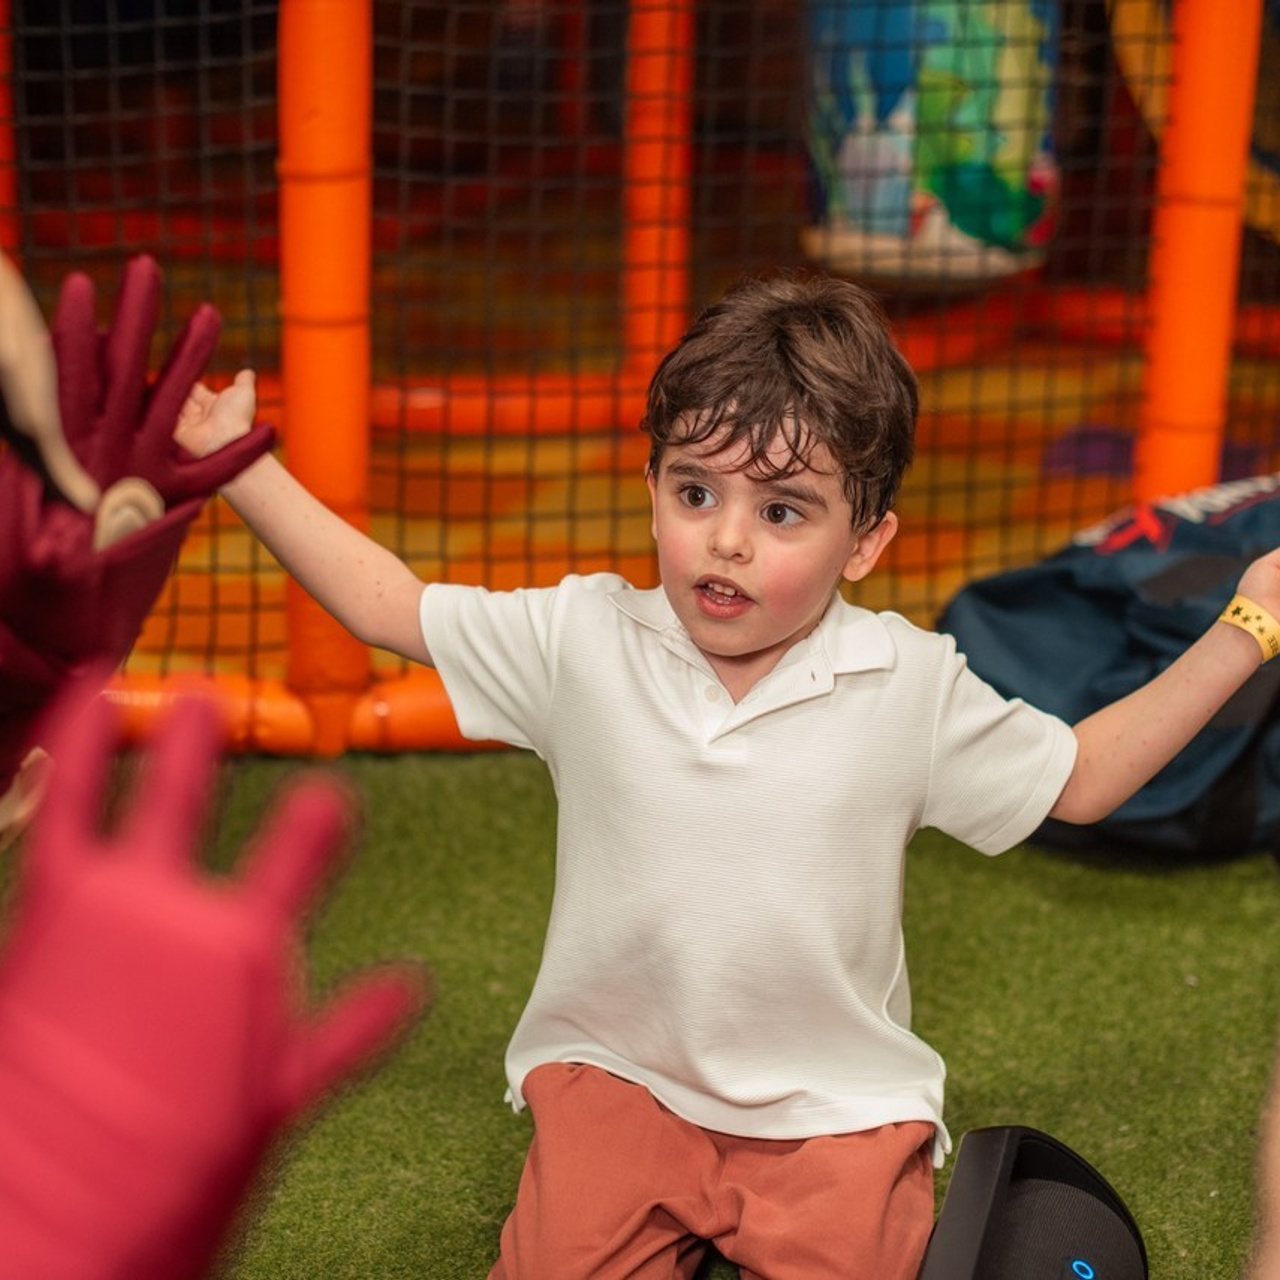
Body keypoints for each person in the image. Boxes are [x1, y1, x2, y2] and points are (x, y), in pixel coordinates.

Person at [176, 270, 1280, 1279]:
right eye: (693, 492)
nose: (726, 541)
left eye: (782, 509)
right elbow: (384, 604)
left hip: (834, 1103)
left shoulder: (907, 682)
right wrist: (243, 463)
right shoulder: (581, 640)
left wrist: (1247, 622)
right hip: (617, 1077)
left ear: (865, 539)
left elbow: (1082, 778)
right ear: (651, 480)